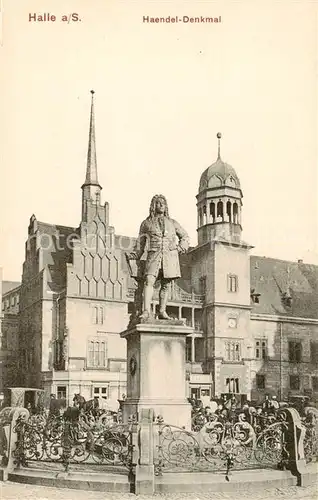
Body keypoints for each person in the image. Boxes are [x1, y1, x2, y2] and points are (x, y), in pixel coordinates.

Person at [131, 194, 189, 320]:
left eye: (163, 203)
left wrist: (180, 248)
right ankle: (146, 310)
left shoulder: (173, 223)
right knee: (149, 281)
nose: (161, 205)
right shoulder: (146, 223)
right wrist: (136, 254)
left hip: (170, 258)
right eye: (158, 203)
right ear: (153, 206)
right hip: (154, 256)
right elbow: (140, 244)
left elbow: (185, 236)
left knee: (166, 285)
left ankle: (162, 311)